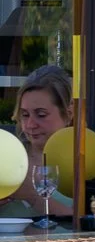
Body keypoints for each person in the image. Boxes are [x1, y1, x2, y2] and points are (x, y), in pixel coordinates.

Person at [4, 65, 76, 222]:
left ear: (68, 114)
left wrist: (32, 196)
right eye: (24, 115)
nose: (30, 124)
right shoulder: (6, 158)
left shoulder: (86, 162)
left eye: (41, 114)